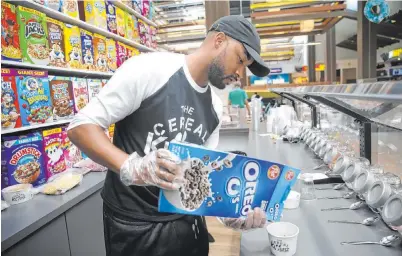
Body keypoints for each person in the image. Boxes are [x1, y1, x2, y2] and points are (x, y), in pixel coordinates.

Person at [68, 15, 270, 256]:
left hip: (187, 225)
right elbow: (81, 126)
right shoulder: (149, 70)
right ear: (219, 40)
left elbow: (200, 176)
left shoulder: (214, 108)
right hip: (134, 226)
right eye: (239, 60)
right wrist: (134, 167)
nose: (239, 73)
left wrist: (227, 213)